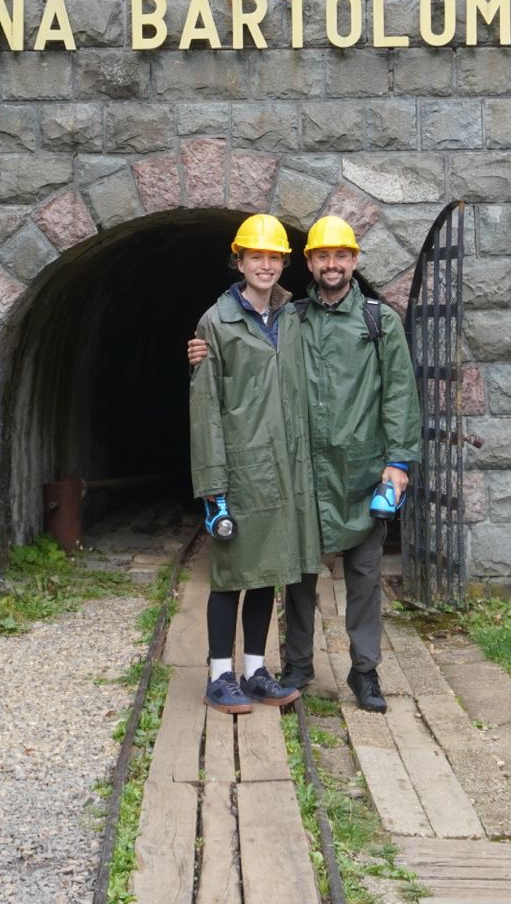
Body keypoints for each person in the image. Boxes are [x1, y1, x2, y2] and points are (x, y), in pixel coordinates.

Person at [188, 215, 421, 712]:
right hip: (301, 472)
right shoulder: (293, 316)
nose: (332, 264)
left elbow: (400, 393)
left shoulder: (378, 321)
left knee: (363, 576)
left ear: (355, 260)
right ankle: (294, 665)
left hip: (361, 471)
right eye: (323, 256)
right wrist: (202, 353)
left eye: (341, 255)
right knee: (294, 572)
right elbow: (243, 362)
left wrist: (398, 462)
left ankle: (365, 672)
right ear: (311, 263)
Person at [188, 213, 322, 714]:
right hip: (240, 468)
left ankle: (255, 670)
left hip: (284, 468)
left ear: (284, 262)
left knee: (269, 570)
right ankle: (219, 677)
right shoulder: (214, 323)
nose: (265, 265)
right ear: (239, 260)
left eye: (273, 257)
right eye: (255, 256)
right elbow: (204, 412)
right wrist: (212, 486)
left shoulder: (294, 316)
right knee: (228, 572)